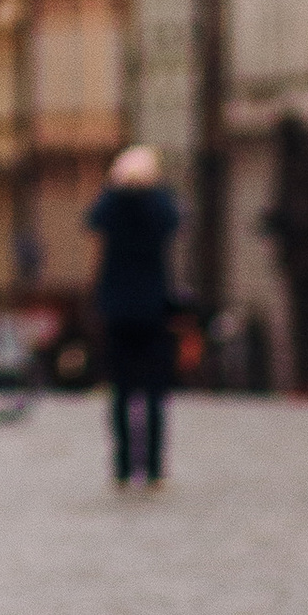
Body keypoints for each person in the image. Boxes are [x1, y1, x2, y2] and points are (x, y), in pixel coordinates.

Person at [86, 143, 180, 491]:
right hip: (152, 308)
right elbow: (173, 219)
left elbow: (93, 219)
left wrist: (115, 188)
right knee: (154, 393)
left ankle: (124, 466)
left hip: (118, 309)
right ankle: (153, 468)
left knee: (122, 391)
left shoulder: (112, 206)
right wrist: (154, 187)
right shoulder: (157, 205)